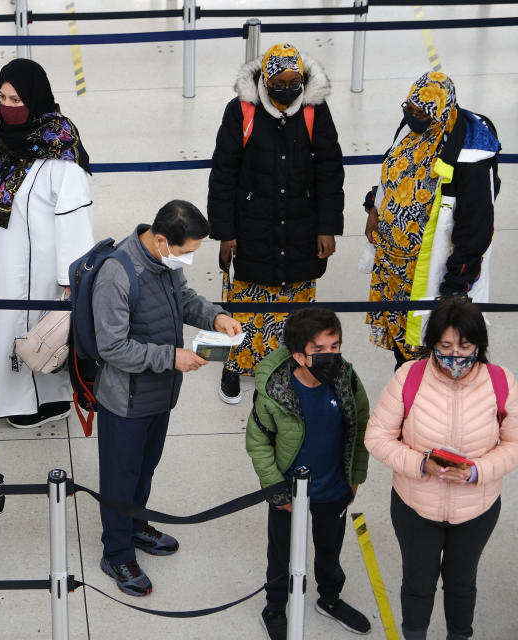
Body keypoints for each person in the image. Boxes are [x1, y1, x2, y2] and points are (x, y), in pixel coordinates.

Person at [91, 200, 241, 595]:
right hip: (125, 401)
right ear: (161, 241)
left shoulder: (162, 264)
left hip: (158, 392)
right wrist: (170, 357)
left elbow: (184, 299)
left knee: (145, 467)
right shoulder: (116, 275)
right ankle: (117, 553)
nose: (189, 259)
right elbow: (113, 348)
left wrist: (215, 316)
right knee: (120, 479)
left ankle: (135, 525)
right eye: (187, 251)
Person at [365, 298, 518, 640]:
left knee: (462, 584)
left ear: (480, 344)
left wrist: (477, 470)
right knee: (418, 584)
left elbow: (514, 444)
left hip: (476, 510)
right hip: (415, 506)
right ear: (431, 343)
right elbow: (376, 437)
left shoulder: (501, 382)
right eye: (445, 346)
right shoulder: (409, 377)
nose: (456, 356)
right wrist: (421, 464)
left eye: (465, 347)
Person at [208, 43, 344, 405]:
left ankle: (289, 370)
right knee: (248, 306)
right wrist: (225, 233)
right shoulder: (241, 111)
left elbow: (330, 170)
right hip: (254, 226)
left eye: (294, 81)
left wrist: (327, 226)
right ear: (265, 80)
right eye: (279, 82)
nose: (287, 89)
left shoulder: (315, 110)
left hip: (302, 226)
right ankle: (233, 366)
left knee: (295, 309)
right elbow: (223, 173)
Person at [0, 58, 95, 428]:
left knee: (33, 334)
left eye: (16, 99)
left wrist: (72, 276)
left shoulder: (62, 153)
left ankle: (38, 401)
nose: (8, 107)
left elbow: (75, 218)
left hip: (36, 270)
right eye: (2, 97)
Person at [245, 307, 371, 639]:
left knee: (330, 548)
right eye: (320, 350)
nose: (331, 356)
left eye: (335, 347)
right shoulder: (276, 391)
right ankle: (274, 607)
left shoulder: (346, 379)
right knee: (281, 552)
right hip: (287, 492)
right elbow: (258, 440)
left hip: (334, 488)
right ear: (300, 355)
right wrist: (275, 488)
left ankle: (329, 599)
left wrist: (355, 476)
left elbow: (361, 428)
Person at [363, 71, 500, 370]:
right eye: (409, 108)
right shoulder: (409, 130)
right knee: (403, 349)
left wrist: (456, 282)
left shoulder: (469, 151)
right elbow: (395, 175)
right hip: (393, 267)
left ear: (441, 109)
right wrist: (374, 205)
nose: (414, 116)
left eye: (422, 111)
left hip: (428, 275)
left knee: (429, 352)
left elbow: (476, 225)